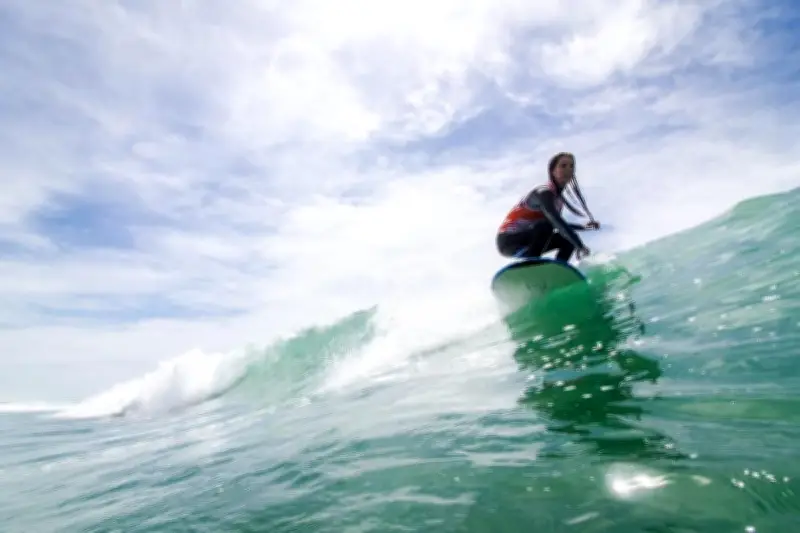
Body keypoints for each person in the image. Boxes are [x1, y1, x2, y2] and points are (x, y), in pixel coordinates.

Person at [496, 152, 600, 263]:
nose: (568, 169)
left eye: (571, 166)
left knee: (567, 240)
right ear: (553, 171)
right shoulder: (543, 192)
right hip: (509, 240)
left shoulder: (559, 201)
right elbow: (554, 221)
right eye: (563, 166)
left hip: (529, 239)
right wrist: (580, 246)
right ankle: (532, 265)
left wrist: (583, 227)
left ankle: (559, 271)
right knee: (546, 226)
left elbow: (558, 224)